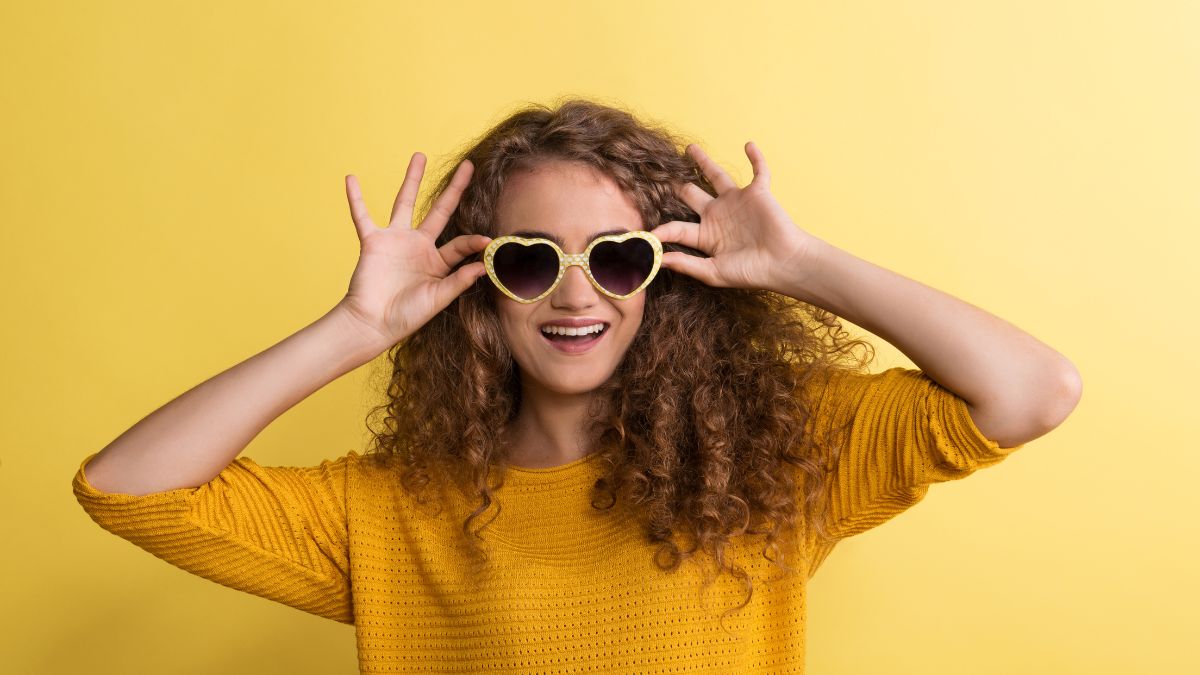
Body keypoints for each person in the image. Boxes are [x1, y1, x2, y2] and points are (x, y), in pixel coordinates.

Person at [72, 98, 1081, 673]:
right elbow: (125, 488)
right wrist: (353, 331)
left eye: (616, 257)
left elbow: (1034, 390)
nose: (573, 293)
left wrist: (799, 265)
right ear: (477, 284)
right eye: (527, 260)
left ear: (664, 276)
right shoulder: (390, 515)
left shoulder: (765, 461)